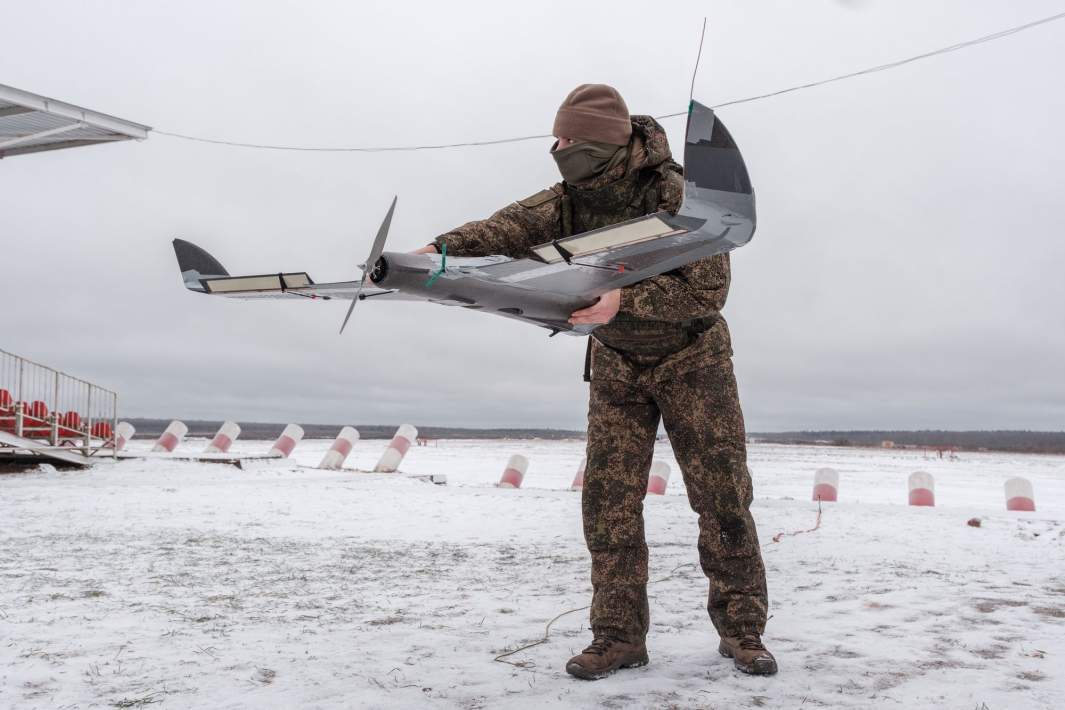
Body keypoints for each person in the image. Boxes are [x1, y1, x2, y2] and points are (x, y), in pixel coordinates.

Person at [413, 84, 775, 679]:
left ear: (596, 143)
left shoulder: (675, 192)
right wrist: (436, 252)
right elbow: (505, 227)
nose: (555, 149)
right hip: (616, 365)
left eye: (565, 140)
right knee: (607, 505)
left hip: (693, 361)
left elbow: (707, 290)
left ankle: (743, 632)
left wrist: (623, 301)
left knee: (723, 500)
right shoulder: (570, 198)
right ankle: (617, 637)